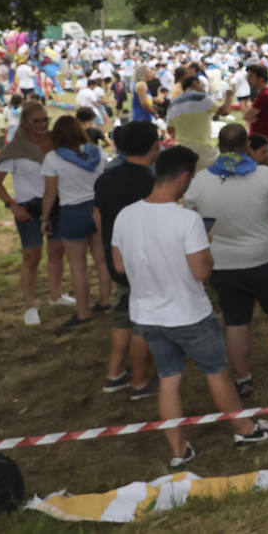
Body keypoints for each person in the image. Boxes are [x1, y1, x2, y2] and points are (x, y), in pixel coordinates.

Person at [112, 145, 268, 467]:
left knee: (168, 380)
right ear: (184, 178)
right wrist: (206, 245)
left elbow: (119, 266)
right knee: (217, 374)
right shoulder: (187, 221)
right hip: (189, 314)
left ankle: (179, 451)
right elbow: (201, 271)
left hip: (147, 316)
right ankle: (245, 430)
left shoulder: (126, 215)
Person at [183, 124, 268, 401]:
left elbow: (189, 215)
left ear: (219, 147)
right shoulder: (263, 176)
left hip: (222, 266)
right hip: (264, 259)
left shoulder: (201, 180)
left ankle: (244, 378)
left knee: (236, 322)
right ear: (247, 145)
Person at [94, 120, 160, 398]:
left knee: (122, 317)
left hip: (117, 260)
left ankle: (115, 374)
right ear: (154, 146)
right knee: (143, 323)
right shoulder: (149, 181)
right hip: (143, 264)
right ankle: (140, 381)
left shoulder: (106, 177)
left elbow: (98, 216)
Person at [0, 101, 72, 325]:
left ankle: (56, 295)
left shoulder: (57, 142)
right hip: (29, 208)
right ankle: (30, 306)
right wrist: (12, 205)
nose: (43, 124)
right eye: (37, 121)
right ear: (25, 124)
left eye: (46, 120)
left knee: (57, 252)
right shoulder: (14, 149)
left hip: (57, 203)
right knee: (32, 257)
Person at [39, 114, 111, 328]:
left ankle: (83, 313)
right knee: (102, 260)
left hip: (72, 212)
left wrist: (44, 218)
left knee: (78, 267)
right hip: (98, 209)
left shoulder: (53, 158)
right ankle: (106, 301)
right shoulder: (97, 152)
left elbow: (50, 193)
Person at [166, 74, 235, 169]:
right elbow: (225, 111)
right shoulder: (202, 98)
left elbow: (170, 130)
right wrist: (229, 96)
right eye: (202, 85)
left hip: (181, 149)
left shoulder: (173, 104)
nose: (204, 88)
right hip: (204, 150)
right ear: (195, 84)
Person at [242, 63, 268, 144]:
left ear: (261, 78)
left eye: (251, 76)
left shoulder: (265, 95)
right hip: (263, 138)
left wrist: (252, 117)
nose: (248, 80)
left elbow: (246, 116)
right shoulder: (267, 92)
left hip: (262, 141)